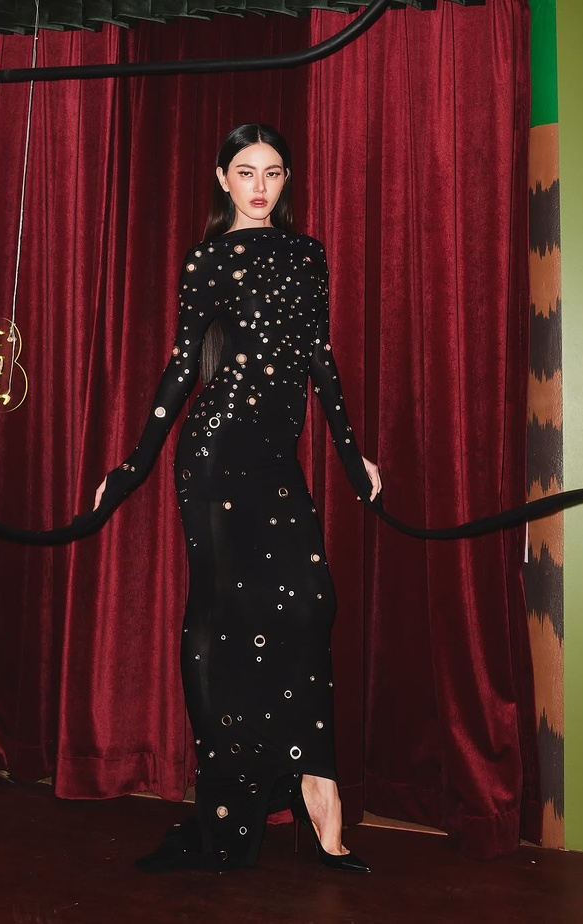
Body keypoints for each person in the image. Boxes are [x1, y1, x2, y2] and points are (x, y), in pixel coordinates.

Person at [94, 123, 381, 873]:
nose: (260, 186)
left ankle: (314, 782)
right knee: (221, 618)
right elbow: (182, 365)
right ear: (223, 179)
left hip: (274, 458)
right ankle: (229, 803)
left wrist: (352, 454)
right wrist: (132, 466)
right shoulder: (208, 259)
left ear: (287, 180)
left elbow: (319, 357)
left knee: (311, 602)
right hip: (215, 453)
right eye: (246, 171)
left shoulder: (307, 254)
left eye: (273, 172)